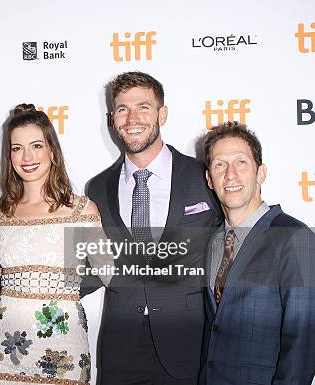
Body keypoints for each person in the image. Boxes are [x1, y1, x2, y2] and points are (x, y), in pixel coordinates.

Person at [83, 71, 222, 385]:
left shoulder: (204, 177)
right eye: (122, 109)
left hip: (187, 346)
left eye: (143, 107)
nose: (132, 118)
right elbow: (92, 267)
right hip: (120, 349)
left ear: (162, 113)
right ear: (113, 118)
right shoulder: (98, 188)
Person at [0, 104, 102, 385]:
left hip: (63, 341)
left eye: (36, 145)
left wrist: (63, 287)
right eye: (17, 148)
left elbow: (106, 272)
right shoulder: (0, 213)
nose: (27, 157)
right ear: (9, 155)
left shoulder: (80, 210)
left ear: (52, 151)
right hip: (5, 340)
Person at [200, 121, 315, 385]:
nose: (230, 175)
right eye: (219, 165)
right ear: (209, 178)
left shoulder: (294, 237)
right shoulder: (213, 241)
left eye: (241, 162)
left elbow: (303, 344)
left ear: (260, 173)